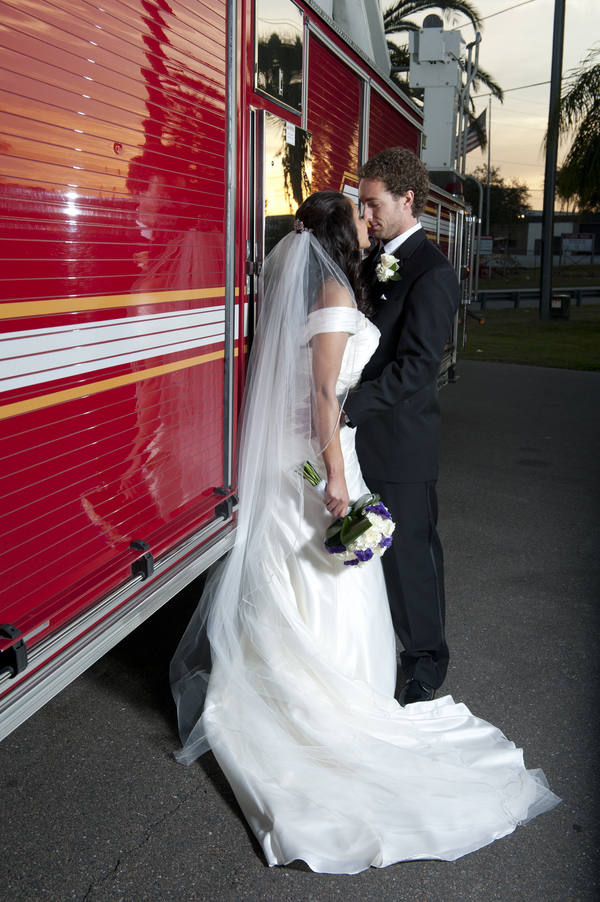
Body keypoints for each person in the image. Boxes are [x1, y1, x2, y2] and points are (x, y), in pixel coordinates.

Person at [170, 190, 559, 875]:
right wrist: (338, 479)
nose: (367, 221)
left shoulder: (321, 286)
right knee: (321, 575)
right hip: (320, 455)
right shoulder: (336, 296)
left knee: (297, 576)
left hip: (300, 450)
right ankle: (318, 699)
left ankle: (278, 681)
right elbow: (323, 395)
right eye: (359, 215)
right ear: (341, 235)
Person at [344, 148, 460, 706]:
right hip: (360, 437)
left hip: (399, 440)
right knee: (363, 547)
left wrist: (351, 405)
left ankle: (424, 664)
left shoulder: (432, 271)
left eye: (373, 204)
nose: (365, 215)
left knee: (411, 555)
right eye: (362, 204)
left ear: (406, 199)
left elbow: (417, 366)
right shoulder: (372, 261)